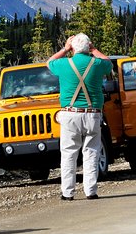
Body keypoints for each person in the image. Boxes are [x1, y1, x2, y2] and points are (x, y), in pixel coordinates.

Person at [47, 33, 112, 200]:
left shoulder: (64, 64)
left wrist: (65, 48)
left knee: (69, 153)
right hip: (92, 114)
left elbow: (49, 62)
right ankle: (91, 191)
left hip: (70, 114)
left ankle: (68, 193)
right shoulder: (96, 64)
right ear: (88, 47)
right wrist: (94, 49)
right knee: (91, 152)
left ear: (74, 48)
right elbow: (109, 63)